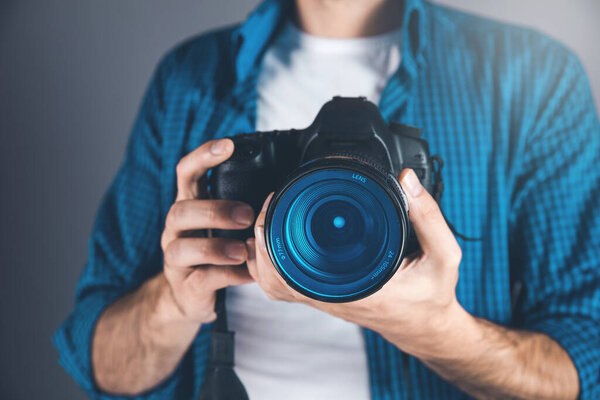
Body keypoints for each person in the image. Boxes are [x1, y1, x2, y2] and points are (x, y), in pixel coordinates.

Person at [54, 0, 600, 399]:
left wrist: (439, 333)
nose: (335, 218)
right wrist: (172, 304)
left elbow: (586, 357)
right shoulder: (191, 78)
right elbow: (96, 357)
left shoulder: (528, 77)